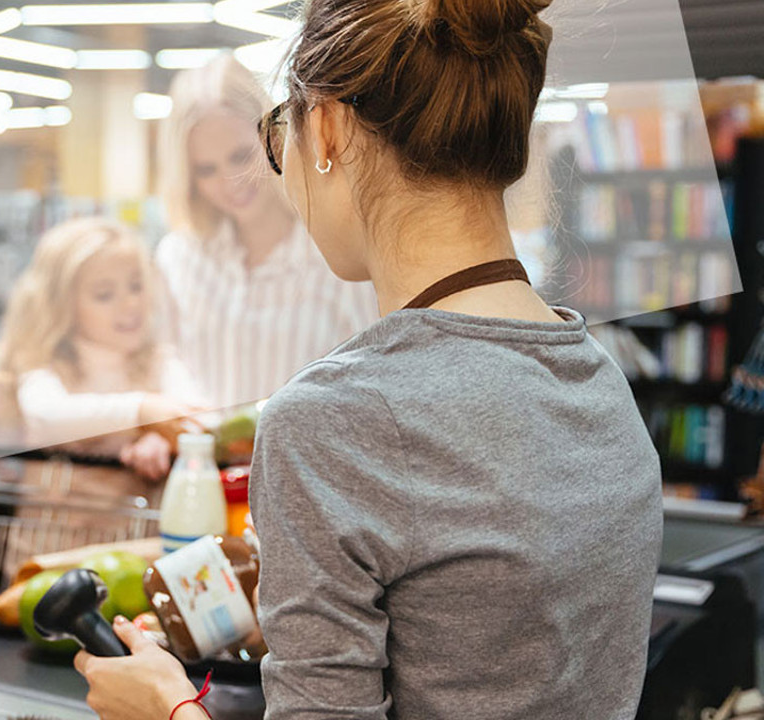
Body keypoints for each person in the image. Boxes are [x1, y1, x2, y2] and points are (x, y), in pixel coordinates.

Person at [76, 0, 663, 718]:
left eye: (274, 137)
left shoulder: (330, 422)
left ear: (324, 126)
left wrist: (165, 708)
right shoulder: (604, 386)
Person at [154, 54, 377, 410]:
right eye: (206, 169)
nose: (230, 182)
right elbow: (161, 356)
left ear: (275, 139)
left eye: (241, 156)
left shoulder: (337, 252)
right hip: (205, 461)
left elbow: (373, 376)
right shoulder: (178, 257)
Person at [0, 217, 204, 484]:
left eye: (136, 286)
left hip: (135, 525)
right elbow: (46, 416)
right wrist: (141, 411)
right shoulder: (43, 364)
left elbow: (200, 419)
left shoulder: (160, 362)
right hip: (53, 524)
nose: (130, 304)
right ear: (62, 305)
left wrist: (163, 437)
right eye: (105, 294)